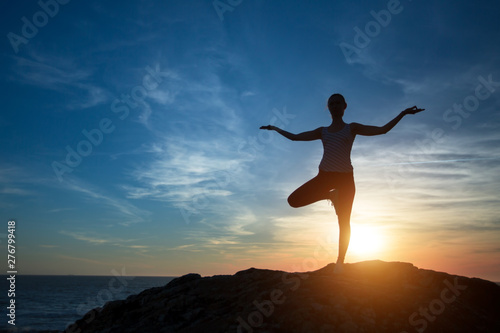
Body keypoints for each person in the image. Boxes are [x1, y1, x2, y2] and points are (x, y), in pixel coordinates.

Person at [260, 93, 424, 273]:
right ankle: (330, 195)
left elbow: (382, 130)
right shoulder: (322, 131)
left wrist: (403, 113)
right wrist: (275, 128)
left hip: (345, 180)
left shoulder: (351, 128)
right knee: (293, 200)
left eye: (339, 103)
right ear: (328, 108)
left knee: (344, 222)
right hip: (324, 177)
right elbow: (295, 137)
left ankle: (340, 262)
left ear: (345, 106)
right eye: (332, 103)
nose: (335, 105)